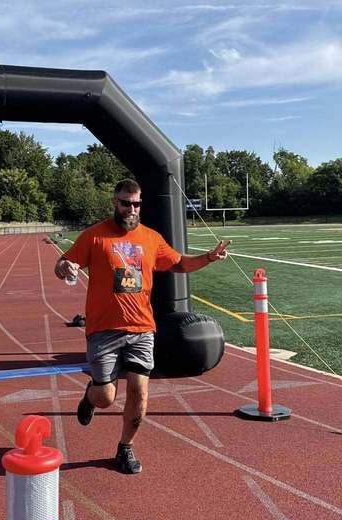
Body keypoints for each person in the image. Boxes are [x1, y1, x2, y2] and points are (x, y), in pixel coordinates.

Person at [55, 178, 229, 474]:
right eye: (126, 203)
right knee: (107, 397)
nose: (131, 209)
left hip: (141, 329)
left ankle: (125, 447)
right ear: (115, 203)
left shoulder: (151, 238)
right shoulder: (94, 237)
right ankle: (90, 397)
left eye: (136, 204)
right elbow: (63, 265)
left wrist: (209, 258)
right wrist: (65, 267)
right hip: (103, 331)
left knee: (139, 391)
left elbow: (179, 264)